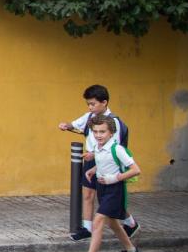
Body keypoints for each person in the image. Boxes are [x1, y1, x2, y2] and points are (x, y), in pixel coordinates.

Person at [58, 84, 138, 240]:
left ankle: (131, 223)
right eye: (88, 104)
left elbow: (112, 148)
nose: (90, 107)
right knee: (88, 194)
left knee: (108, 199)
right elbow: (75, 125)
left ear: (104, 102)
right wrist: (65, 126)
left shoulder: (113, 123)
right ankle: (87, 228)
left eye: (93, 104)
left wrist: (94, 155)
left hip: (107, 165)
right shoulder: (90, 117)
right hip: (91, 161)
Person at [70, 114, 142, 252]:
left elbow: (136, 170)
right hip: (102, 188)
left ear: (111, 133)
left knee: (98, 221)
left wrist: (115, 178)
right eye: (95, 132)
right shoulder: (98, 147)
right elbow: (104, 162)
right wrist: (92, 170)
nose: (98, 135)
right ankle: (131, 251)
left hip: (115, 189)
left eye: (102, 132)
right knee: (113, 223)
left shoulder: (118, 149)